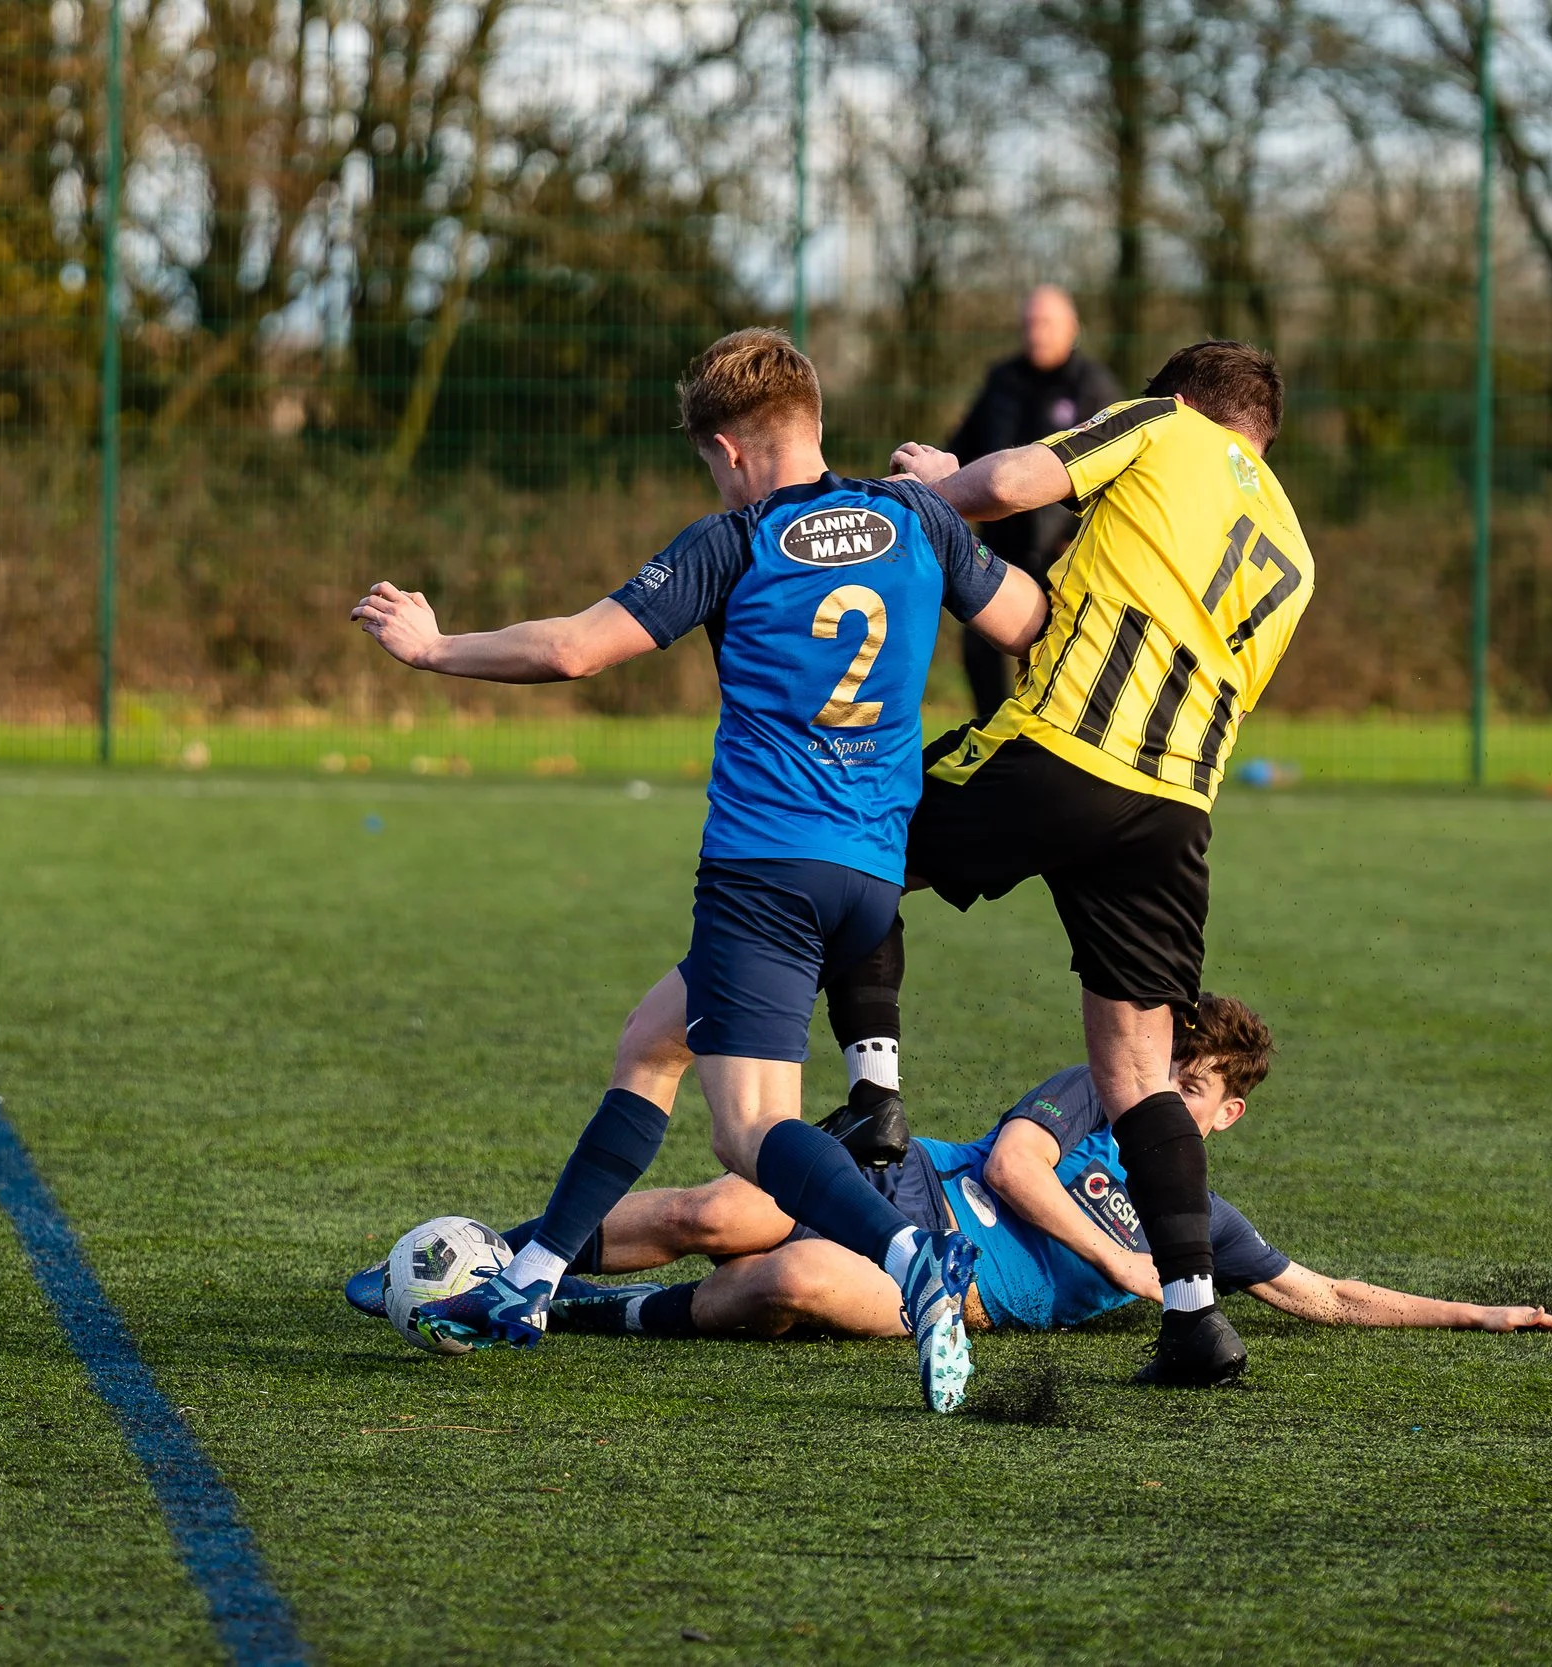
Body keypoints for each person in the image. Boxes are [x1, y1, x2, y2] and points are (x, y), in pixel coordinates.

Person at [348, 328, 1051, 1413]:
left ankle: (911, 1257)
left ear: (727, 449)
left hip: (764, 872)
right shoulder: (919, 518)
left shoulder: (736, 540)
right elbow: (1028, 619)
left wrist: (436, 647)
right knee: (652, 1041)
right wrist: (953, 506)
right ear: (813, 422)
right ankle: (529, 1280)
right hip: (873, 876)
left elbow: (574, 648)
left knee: (750, 1130)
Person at [836, 340, 1313, 1391]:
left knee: (851, 844)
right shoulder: (1293, 544)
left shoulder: (1162, 423)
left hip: (1065, 751)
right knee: (1137, 1073)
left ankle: (874, 1100)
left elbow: (1011, 482)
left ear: (1178, 396)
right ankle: (1193, 1318)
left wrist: (929, 489)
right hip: (1174, 807)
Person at [341, 997, 1552, 1344]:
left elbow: (1325, 1293)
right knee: (721, 1203)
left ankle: (574, 1313)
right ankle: (494, 1257)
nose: (1163, 1087)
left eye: (1191, 1083)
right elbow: (1024, 1168)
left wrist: (1483, 1312)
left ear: (1228, 1111)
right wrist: (1123, 1265)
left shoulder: (1206, 1216)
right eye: (1166, 1065)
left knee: (797, 1281)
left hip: (955, 1287)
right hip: (910, 1182)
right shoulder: (1094, 1087)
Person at [946, 285, 1124, 720]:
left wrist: (1074, 535)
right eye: (1029, 324)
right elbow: (963, 448)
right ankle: (989, 726)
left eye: (1045, 323)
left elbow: (1113, 474)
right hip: (997, 545)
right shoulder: (1001, 382)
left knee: (1060, 650)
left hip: (1063, 552)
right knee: (980, 645)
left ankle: (1053, 729)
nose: (1036, 333)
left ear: (1072, 328)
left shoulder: (1094, 389)